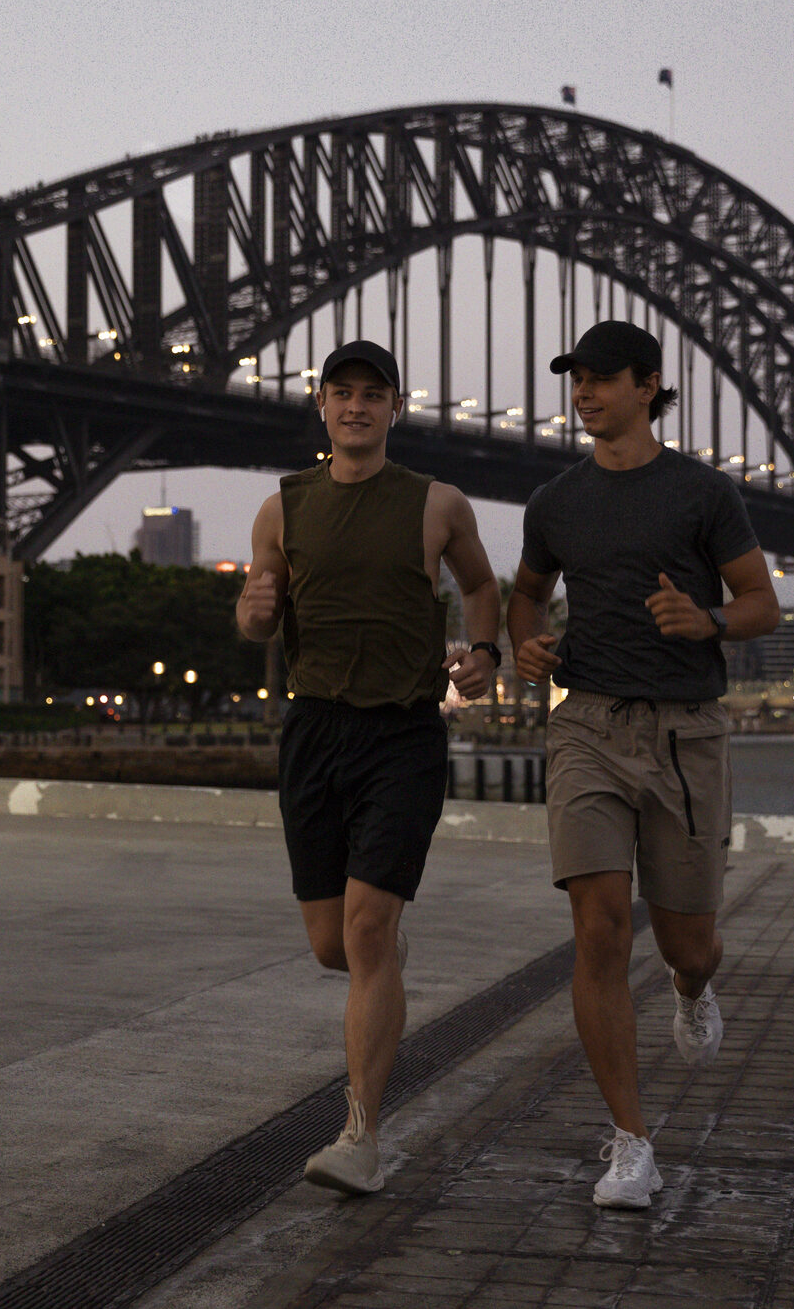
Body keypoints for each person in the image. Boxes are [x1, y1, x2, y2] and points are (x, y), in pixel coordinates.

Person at [506, 320, 780, 1210]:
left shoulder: (701, 494)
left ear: (648, 385)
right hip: (584, 723)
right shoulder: (554, 500)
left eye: (601, 378)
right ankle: (630, 1144)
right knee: (596, 929)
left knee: (686, 942)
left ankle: (691, 986)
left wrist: (706, 622)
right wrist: (524, 645)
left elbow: (762, 603)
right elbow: (523, 592)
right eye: (574, 377)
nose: (583, 392)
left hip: (683, 734)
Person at [236, 339, 502, 1195]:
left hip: (401, 734)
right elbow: (257, 620)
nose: (356, 406)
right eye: (340, 392)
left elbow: (481, 588)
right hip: (313, 732)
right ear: (319, 404)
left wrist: (486, 652)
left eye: (372, 394)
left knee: (364, 931)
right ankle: (378, 959)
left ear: (395, 407)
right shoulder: (280, 508)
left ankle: (359, 1136)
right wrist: (249, 610)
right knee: (331, 946)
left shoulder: (437, 504)